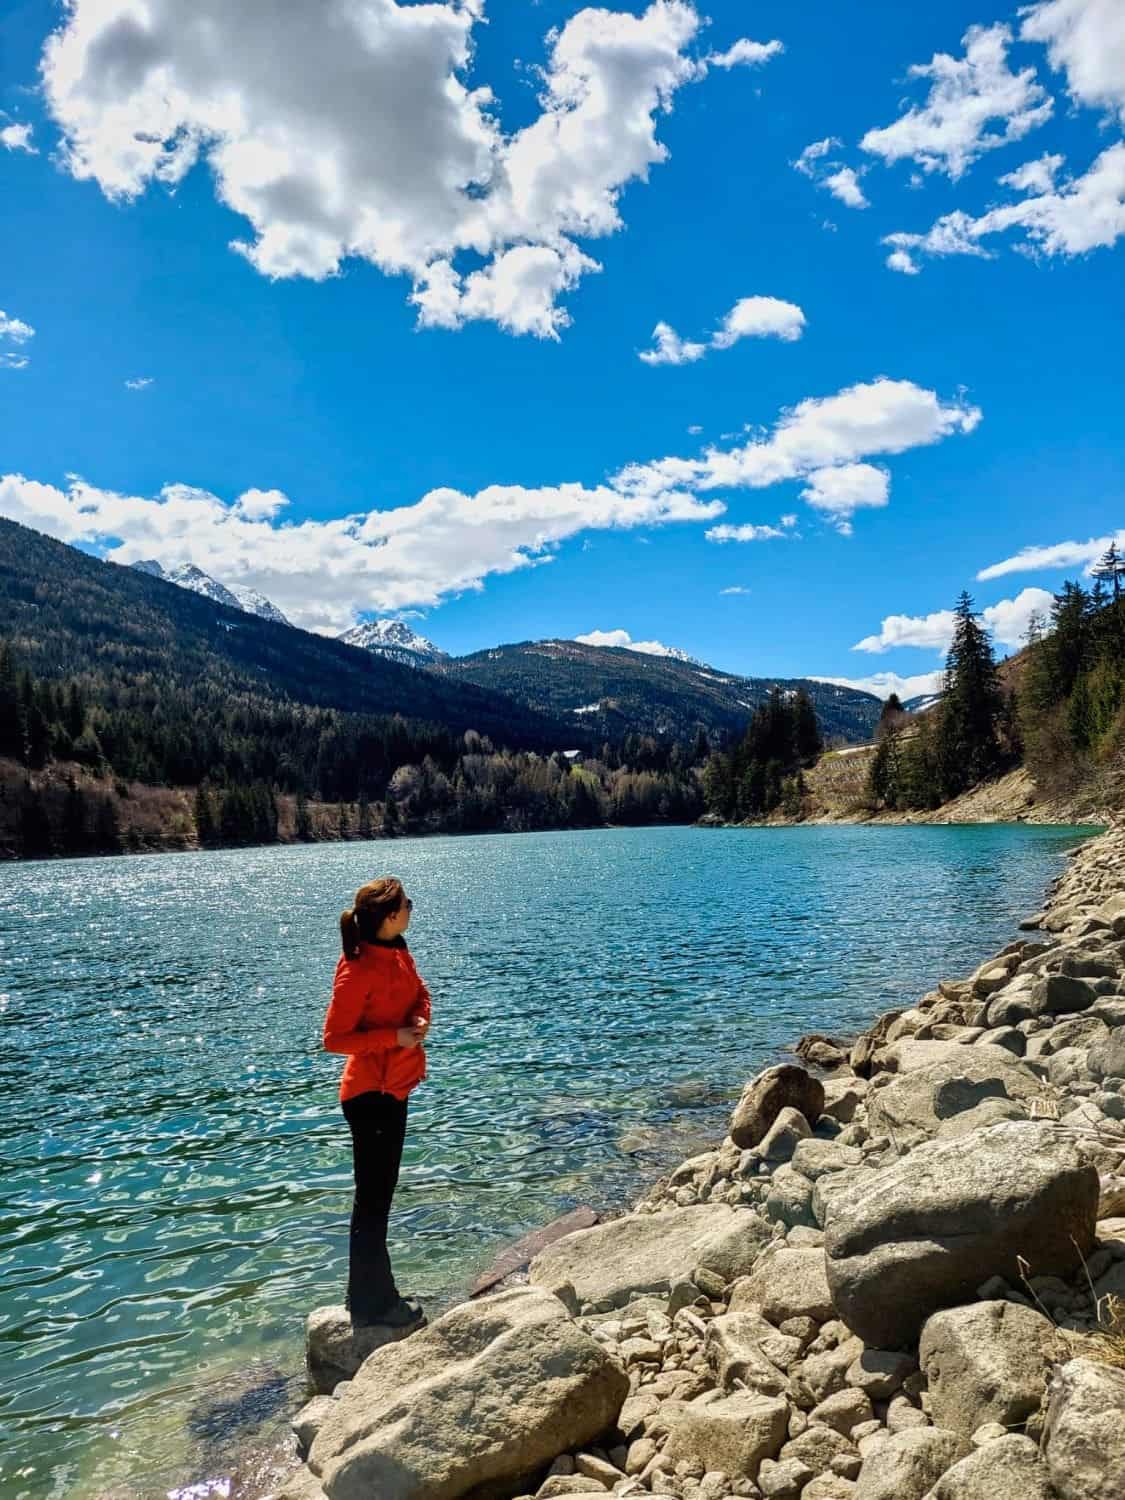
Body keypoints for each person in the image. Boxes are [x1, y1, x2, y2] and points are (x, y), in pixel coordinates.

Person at [323, 876, 431, 1328]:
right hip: (370, 1096)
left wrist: (421, 1017)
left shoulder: (398, 950)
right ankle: (372, 1306)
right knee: (372, 1201)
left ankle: (372, 1294)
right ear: (389, 915)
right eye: (407, 903)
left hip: (395, 1089)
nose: (412, 907)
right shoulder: (357, 967)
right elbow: (334, 1039)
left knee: (378, 1198)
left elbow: (420, 993)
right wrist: (395, 1037)